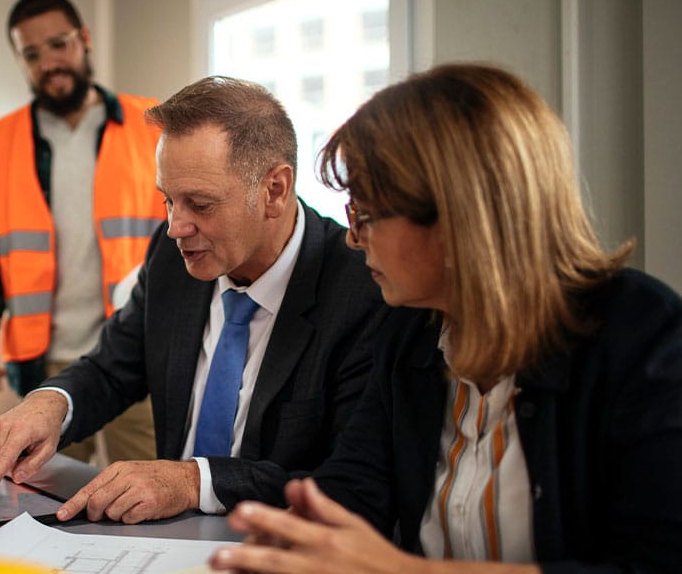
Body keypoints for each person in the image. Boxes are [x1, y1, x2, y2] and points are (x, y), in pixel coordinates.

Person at [208, 63, 682, 572]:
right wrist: (295, 537)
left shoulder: (642, 334)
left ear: (459, 216)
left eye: (365, 215)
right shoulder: (407, 329)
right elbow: (353, 489)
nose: (352, 237)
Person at [0, 75, 388, 524]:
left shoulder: (362, 291)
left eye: (200, 204)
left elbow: (350, 483)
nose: (176, 226)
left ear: (274, 190)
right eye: (169, 201)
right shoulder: (173, 257)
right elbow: (112, 366)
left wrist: (193, 481)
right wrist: (52, 402)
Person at [0, 0, 164, 466]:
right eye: (32, 54)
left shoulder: (150, 124)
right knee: (43, 501)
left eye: (59, 44)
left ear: (84, 39)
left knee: (153, 497)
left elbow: (181, 235)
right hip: (44, 366)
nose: (49, 62)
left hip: (137, 356)